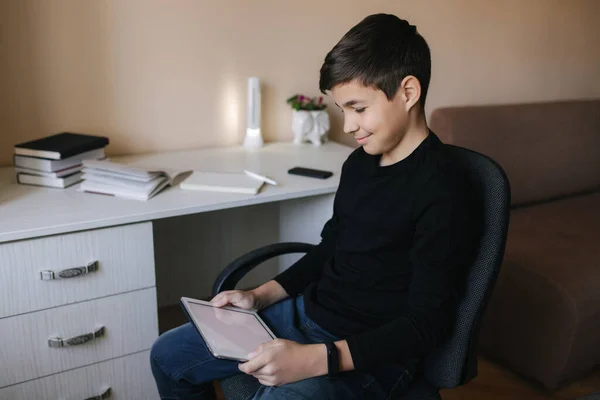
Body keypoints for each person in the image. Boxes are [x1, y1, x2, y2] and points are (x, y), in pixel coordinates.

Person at [150, 13, 480, 399]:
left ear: (407, 92)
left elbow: (427, 324)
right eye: (343, 110)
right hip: (307, 315)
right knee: (167, 356)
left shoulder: (443, 188)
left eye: (358, 108)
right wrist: (260, 295)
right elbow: (330, 249)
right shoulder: (360, 163)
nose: (348, 126)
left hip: (376, 354)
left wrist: (314, 359)